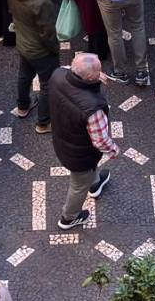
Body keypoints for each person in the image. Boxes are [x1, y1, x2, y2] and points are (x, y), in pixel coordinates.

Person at [48, 52, 118, 229]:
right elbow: (100, 140)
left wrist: (94, 78)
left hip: (62, 138)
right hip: (79, 153)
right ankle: (69, 217)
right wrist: (113, 150)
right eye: (98, 71)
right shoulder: (92, 108)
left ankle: (94, 184)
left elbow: (71, 73)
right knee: (78, 185)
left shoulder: (58, 75)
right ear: (90, 77)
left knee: (86, 173)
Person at [9, 0, 60, 132]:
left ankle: (22, 107)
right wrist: (56, 49)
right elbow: (47, 34)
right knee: (47, 85)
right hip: (40, 51)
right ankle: (44, 123)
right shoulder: (41, 3)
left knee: (24, 75)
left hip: (23, 43)